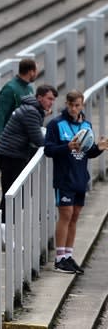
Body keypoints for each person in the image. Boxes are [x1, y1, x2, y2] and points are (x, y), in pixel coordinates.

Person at [44, 90, 108, 274]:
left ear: (82, 105)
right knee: (66, 215)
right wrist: (67, 146)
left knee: (75, 217)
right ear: (66, 104)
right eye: (70, 105)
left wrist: (100, 148)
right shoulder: (56, 124)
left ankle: (68, 256)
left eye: (77, 105)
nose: (73, 108)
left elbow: (88, 151)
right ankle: (59, 259)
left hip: (80, 178)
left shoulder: (86, 124)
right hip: (64, 178)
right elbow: (48, 150)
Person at [0, 85, 57, 234]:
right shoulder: (31, 112)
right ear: (39, 97)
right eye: (49, 99)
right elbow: (38, 139)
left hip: (11, 155)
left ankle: (5, 228)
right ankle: (4, 229)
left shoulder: (31, 108)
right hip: (11, 157)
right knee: (12, 195)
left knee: (13, 194)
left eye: (53, 100)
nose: (51, 103)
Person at [0, 58, 39, 143]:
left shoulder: (29, 88)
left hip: (25, 138)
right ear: (31, 72)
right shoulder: (10, 89)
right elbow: (1, 114)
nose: (37, 73)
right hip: (11, 139)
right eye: (36, 71)